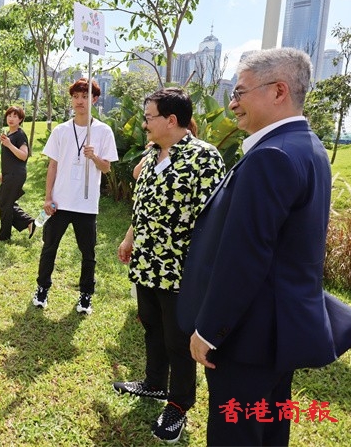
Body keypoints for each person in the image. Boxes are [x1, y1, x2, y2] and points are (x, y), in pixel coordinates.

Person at [177, 48, 351, 446]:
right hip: (277, 335)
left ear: (278, 91)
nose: (233, 103)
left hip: (246, 338)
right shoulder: (308, 146)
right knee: (270, 427)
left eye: (240, 92)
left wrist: (209, 331)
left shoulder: (271, 155)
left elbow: (245, 257)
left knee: (237, 434)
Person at [114, 88, 225, 443]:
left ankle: (178, 404)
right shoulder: (151, 154)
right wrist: (130, 237)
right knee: (151, 326)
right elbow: (142, 205)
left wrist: (202, 274)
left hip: (180, 272)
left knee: (178, 340)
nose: (144, 124)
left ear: (171, 120)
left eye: (149, 117)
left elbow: (213, 222)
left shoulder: (203, 158)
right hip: (146, 264)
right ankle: (154, 382)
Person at [32, 78, 118, 314]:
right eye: (76, 97)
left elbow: (107, 168)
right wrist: (48, 197)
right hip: (59, 202)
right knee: (49, 248)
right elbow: (52, 166)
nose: (80, 101)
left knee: (88, 253)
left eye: (85, 96)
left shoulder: (103, 131)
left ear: (95, 99)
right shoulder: (61, 130)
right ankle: (42, 288)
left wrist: (94, 157)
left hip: (86, 204)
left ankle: (86, 295)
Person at [0, 105, 35, 242]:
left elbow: (24, 155)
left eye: (15, 116)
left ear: (20, 119)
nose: (11, 118)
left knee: (5, 203)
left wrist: (10, 145)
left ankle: (3, 236)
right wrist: (3, 173)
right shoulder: (9, 134)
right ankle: (28, 222)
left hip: (16, 175)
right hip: (9, 174)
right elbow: (8, 158)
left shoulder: (20, 135)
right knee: (4, 200)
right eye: (9, 116)